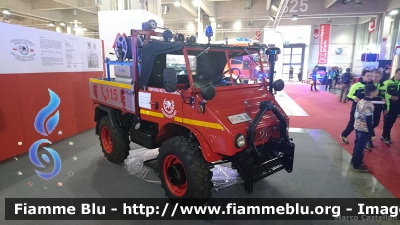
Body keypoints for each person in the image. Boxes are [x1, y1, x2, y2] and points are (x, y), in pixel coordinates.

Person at [340, 70, 373, 144]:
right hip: (357, 108)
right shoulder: (356, 85)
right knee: (353, 123)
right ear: (363, 76)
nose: (369, 77)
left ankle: (366, 142)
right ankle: (344, 134)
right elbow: (349, 95)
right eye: (368, 76)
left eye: (371, 76)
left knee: (367, 124)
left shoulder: (371, 86)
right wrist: (354, 98)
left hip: (368, 109)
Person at [351, 84, 378, 172]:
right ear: (373, 92)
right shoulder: (369, 105)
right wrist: (372, 133)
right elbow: (369, 121)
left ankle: (354, 160)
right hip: (364, 128)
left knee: (357, 143)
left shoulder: (361, 101)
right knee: (361, 146)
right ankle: (357, 164)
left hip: (357, 125)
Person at [365, 70, 387, 150]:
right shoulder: (368, 85)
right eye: (373, 76)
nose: (374, 78)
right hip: (369, 106)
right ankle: (368, 139)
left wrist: (386, 107)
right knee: (369, 122)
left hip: (378, 107)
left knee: (376, 123)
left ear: (380, 77)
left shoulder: (384, 86)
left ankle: (368, 135)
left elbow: (385, 97)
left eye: (376, 77)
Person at [381, 68, 400, 145]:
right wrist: (391, 96)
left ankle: (384, 135)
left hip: (397, 106)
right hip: (388, 105)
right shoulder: (387, 83)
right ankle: (387, 136)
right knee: (387, 122)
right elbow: (382, 93)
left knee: (392, 122)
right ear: (395, 74)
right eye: (399, 74)